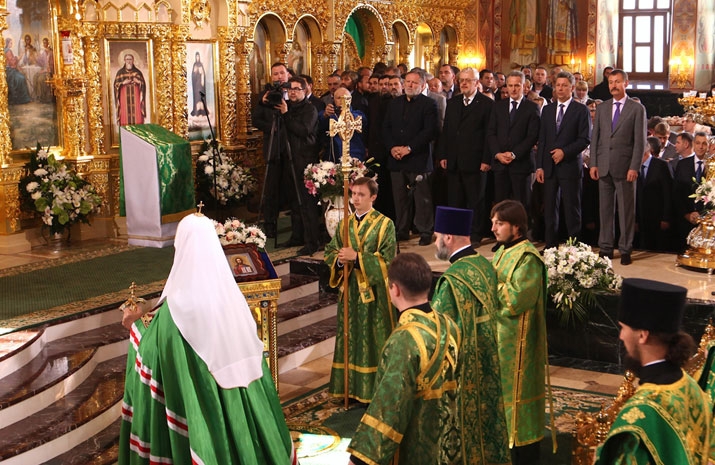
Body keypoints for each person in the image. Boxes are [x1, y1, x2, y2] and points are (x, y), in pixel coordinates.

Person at [119, 213, 297, 465]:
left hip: (205, 405)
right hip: (245, 402)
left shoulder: (178, 309)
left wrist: (134, 325)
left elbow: (153, 352)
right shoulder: (233, 299)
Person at [347, 253, 461, 465]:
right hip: (448, 446)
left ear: (395, 289)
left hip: (416, 449)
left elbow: (391, 406)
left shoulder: (405, 340)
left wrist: (360, 459)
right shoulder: (449, 325)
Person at [595, 278, 712, 465]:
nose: (621, 336)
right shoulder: (693, 388)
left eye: (623, 328)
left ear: (643, 335)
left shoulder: (639, 415)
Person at [431, 206, 510, 465]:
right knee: (488, 420)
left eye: (437, 236)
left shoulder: (452, 280)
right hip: (487, 358)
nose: (435, 241)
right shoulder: (484, 265)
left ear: (449, 237)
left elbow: (438, 331)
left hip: (463, 369)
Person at [323, 177, 397, 403]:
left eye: (361, 194)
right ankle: (349, 387)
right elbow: (331, 251)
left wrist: (357, 258)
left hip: (374, 294)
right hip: (350, 290)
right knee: (350, 337)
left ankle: (375, 390)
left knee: (373, 338)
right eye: (353, 194)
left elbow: (388, 260)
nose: (355, 199)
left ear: (373, 197)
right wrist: (338, 260)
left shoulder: (385, 224)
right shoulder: (344, 224)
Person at [490, 200, 550, 465]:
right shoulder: (502, 251)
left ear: (516, 227)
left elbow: (516, 299)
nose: (493, 228)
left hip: (519, 348)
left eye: (499, 223)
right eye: (493, 222)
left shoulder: (528, 258)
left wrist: (491, 285)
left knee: (517, 402)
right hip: (500, 338)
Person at [589, 69, 646, 266]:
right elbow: (595, 138)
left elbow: (639, 142)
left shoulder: (637, 109)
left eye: (617, 82)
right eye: (611, 82)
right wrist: (593, 163)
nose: (613, 85)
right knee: (605, 210)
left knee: (626, 211)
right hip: (603, 166)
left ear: (626, 84)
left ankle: (625, 249)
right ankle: (605, 247)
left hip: (625, 168)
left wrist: (634, 167)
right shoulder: (603, 108)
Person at [438, 67, 494, 243]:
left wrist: (486, 159)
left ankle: (476, 234)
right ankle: (457, 233)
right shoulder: (453, 103)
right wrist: (443, 155)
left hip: (476, 161)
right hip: (454, 160)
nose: (463, 83)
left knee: (475, 200)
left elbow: (489, 134)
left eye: (467, 80)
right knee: (455, 199)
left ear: (477, 83)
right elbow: (447, 131)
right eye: (461, 80)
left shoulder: (487, 104)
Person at [535, 71, 591, 248]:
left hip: (570, 167)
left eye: (564, 85)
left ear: (572, 88)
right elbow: (542, 140)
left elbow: (584, 139)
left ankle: (574, 247)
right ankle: (550, 245)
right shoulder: (547, 109)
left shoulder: (581, 110)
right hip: (549, 168)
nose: (560, 88)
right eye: (558, 85)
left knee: (571, 209)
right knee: (550, 209)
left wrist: (564, 152)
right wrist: (540, 167)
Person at [383, 69, 438, 245]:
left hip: (418, 158)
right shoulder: (394, 103)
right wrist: (392, 148)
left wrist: (409, 148)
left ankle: (425, 230)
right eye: (407, 82)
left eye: (414, 83)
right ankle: (402, 229)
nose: (410, 85)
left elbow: (429, 131)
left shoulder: (429, 104)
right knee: (400, 197)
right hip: (396, 158)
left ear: (422, 85)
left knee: (422, 198)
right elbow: (386, 128)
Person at [487, 70, 541, 210]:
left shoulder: (532, 108)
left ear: (524, 86)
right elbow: (491, 133)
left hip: (521, 165)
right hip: (500, 165)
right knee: (500, 205)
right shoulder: (498, 106)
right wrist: (497, 154)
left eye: (517, 85)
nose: (513, 89)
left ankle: (522, 232)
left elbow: (532, 137)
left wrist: (513, 154)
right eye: (510, 85)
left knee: (522, 205)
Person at [251, 62, 290, 238]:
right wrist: (271, 127)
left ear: (288, 74)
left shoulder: (294, 91)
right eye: (275, 74)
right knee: (271, 189)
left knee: (290, 187)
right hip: (272, 146)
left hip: (290, 147)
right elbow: (256, 120)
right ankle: (270, 225)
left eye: (282, 73)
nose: (279, 76)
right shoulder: (265, 96)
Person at [636, 137, 673, 252]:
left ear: (645, 152)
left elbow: (668, 193)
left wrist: (666, 218)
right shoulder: (634, 168)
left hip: (658, 217)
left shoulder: (661, 165)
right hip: (641, 217)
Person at [673, 132, 708, 252]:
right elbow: (677, 193)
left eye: (704, 143)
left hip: (706, 222)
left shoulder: (712, 166)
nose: (701, 147)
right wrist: (687, 215)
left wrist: (703, 216)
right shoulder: (682, 165)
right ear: (693, 144)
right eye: (698, 143)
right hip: (684, 220)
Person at [320, 87, 367, 162]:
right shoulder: (329, 115)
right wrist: (325, 115)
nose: (343, 101)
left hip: (354, 153)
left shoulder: (358, 114)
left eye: (346, 98)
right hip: (334, 154)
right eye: (339, 98)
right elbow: (319, 126)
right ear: (334, 100)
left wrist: (347, 113)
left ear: (351, 99)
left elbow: (362, 122)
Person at [114, 53, 147, 126]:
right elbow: (116, 85)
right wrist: (123, 83)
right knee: (125, 115)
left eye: (130, 59)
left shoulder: (137, 72)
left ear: (133, 61)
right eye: (127, 59)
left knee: (137, 115)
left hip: (136, 99)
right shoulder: (120, 73)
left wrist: (138, 82)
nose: (129, 61)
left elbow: (143, 85)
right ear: (124, 61)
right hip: (124, 99)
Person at [190, 51, 206, 116]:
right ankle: (196, 111)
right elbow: (193, 74)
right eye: (196, 56)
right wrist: (195, 71)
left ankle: (202, 110)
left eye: (198, 56)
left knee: (201, 97)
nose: (197, 58)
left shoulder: (201, 64)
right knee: (197, 97)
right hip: (196, 84)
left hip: (201, 84)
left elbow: (203, 74)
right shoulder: (195, 64)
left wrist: (201, 73)